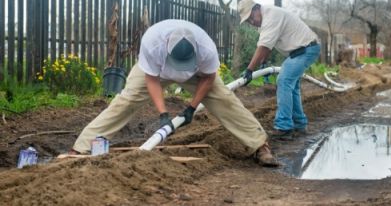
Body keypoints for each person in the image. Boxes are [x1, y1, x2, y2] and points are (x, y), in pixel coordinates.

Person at [69, 19, 278, 166]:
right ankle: (82, 147)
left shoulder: (207, 49)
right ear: (167, 46)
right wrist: (163, 114)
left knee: (225, 100)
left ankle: (259, 144)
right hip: (155, 71)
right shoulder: (152, 43)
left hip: (197, 75)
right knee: (126, 100)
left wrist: (191, 107)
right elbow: (151, 80)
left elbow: (208, 78)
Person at [238, 0, 320, 140]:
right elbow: (269, 44)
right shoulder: (266, 18)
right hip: (303, 50)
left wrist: (250, 70)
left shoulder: (271, 16)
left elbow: (263, 46)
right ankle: (300, 125)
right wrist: (263, 62)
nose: (251, 22)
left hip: (307, 49)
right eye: (248, 21)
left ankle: (284, 127)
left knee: (284, 81)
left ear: (257, 8)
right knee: (291, 86)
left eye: (251, 17)